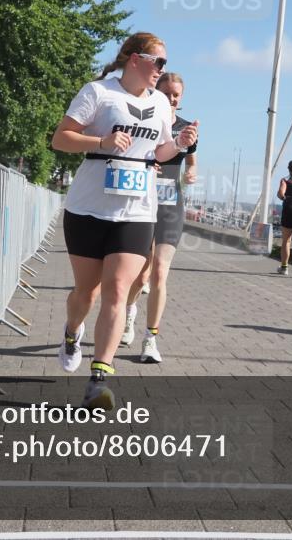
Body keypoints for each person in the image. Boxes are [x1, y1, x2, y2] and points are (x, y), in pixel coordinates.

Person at [51, 33, 198, 409]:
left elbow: (159, 152)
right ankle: (71, 332)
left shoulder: (162, 103)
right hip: (88, 208)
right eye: (158, 63)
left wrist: (179, 144)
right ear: (135, 59)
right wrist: (100, 142)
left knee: (118, 291)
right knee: (86, 294)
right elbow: (61, 139)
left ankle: (99, 378)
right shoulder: (98, 92)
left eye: (165, 64)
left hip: (136, 211)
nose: (161, 71)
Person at [119, 72, 198, 363]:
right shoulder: (146, 122)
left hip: (170, 206)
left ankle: (150, 339)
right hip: (142, 203)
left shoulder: (188, 127)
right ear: (157, 92)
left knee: (160, 272)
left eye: (177, 94)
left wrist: (191, 172)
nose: (173, 98)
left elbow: (190, 159)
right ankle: (128, 315)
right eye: (167, 93)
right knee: (140, 275)